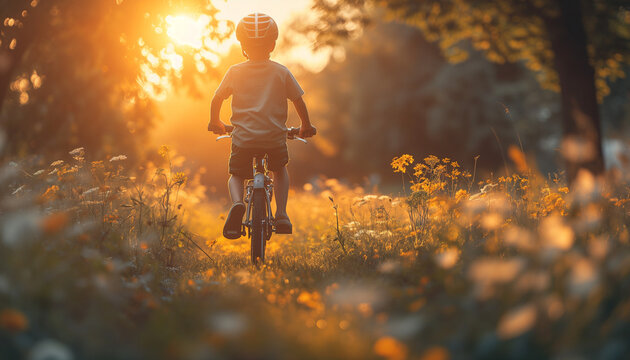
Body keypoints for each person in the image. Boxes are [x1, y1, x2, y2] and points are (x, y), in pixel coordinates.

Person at [208, 13, 316, 239]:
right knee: (279, 170)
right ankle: (282, 214)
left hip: (242, 138)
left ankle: (238, 204)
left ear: (242, 45)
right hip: (274, 138)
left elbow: (217, 99)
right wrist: (305, 125)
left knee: (236, 174)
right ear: (272, 43)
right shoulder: (281, 71)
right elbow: (298, 100)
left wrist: (215, 121)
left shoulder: (234, 71)